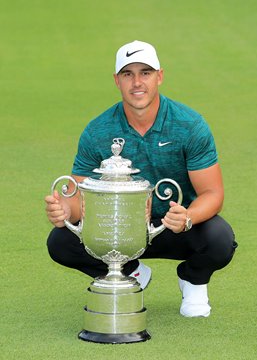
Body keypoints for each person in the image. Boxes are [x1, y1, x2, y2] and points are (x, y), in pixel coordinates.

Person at [45, 40, 237, 318]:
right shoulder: (98, 130)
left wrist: (187, 217)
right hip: (120, 228)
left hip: (177, 227)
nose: (137, 82)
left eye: (145, 72)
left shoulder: (190, 125)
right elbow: (79, 195)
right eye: (128, 74)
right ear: (117, 81)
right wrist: (66, 209)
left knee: (220, 239)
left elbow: (212, 193)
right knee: (61, 242)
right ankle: (129, 272)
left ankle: (194, 281)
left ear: (159, 76)